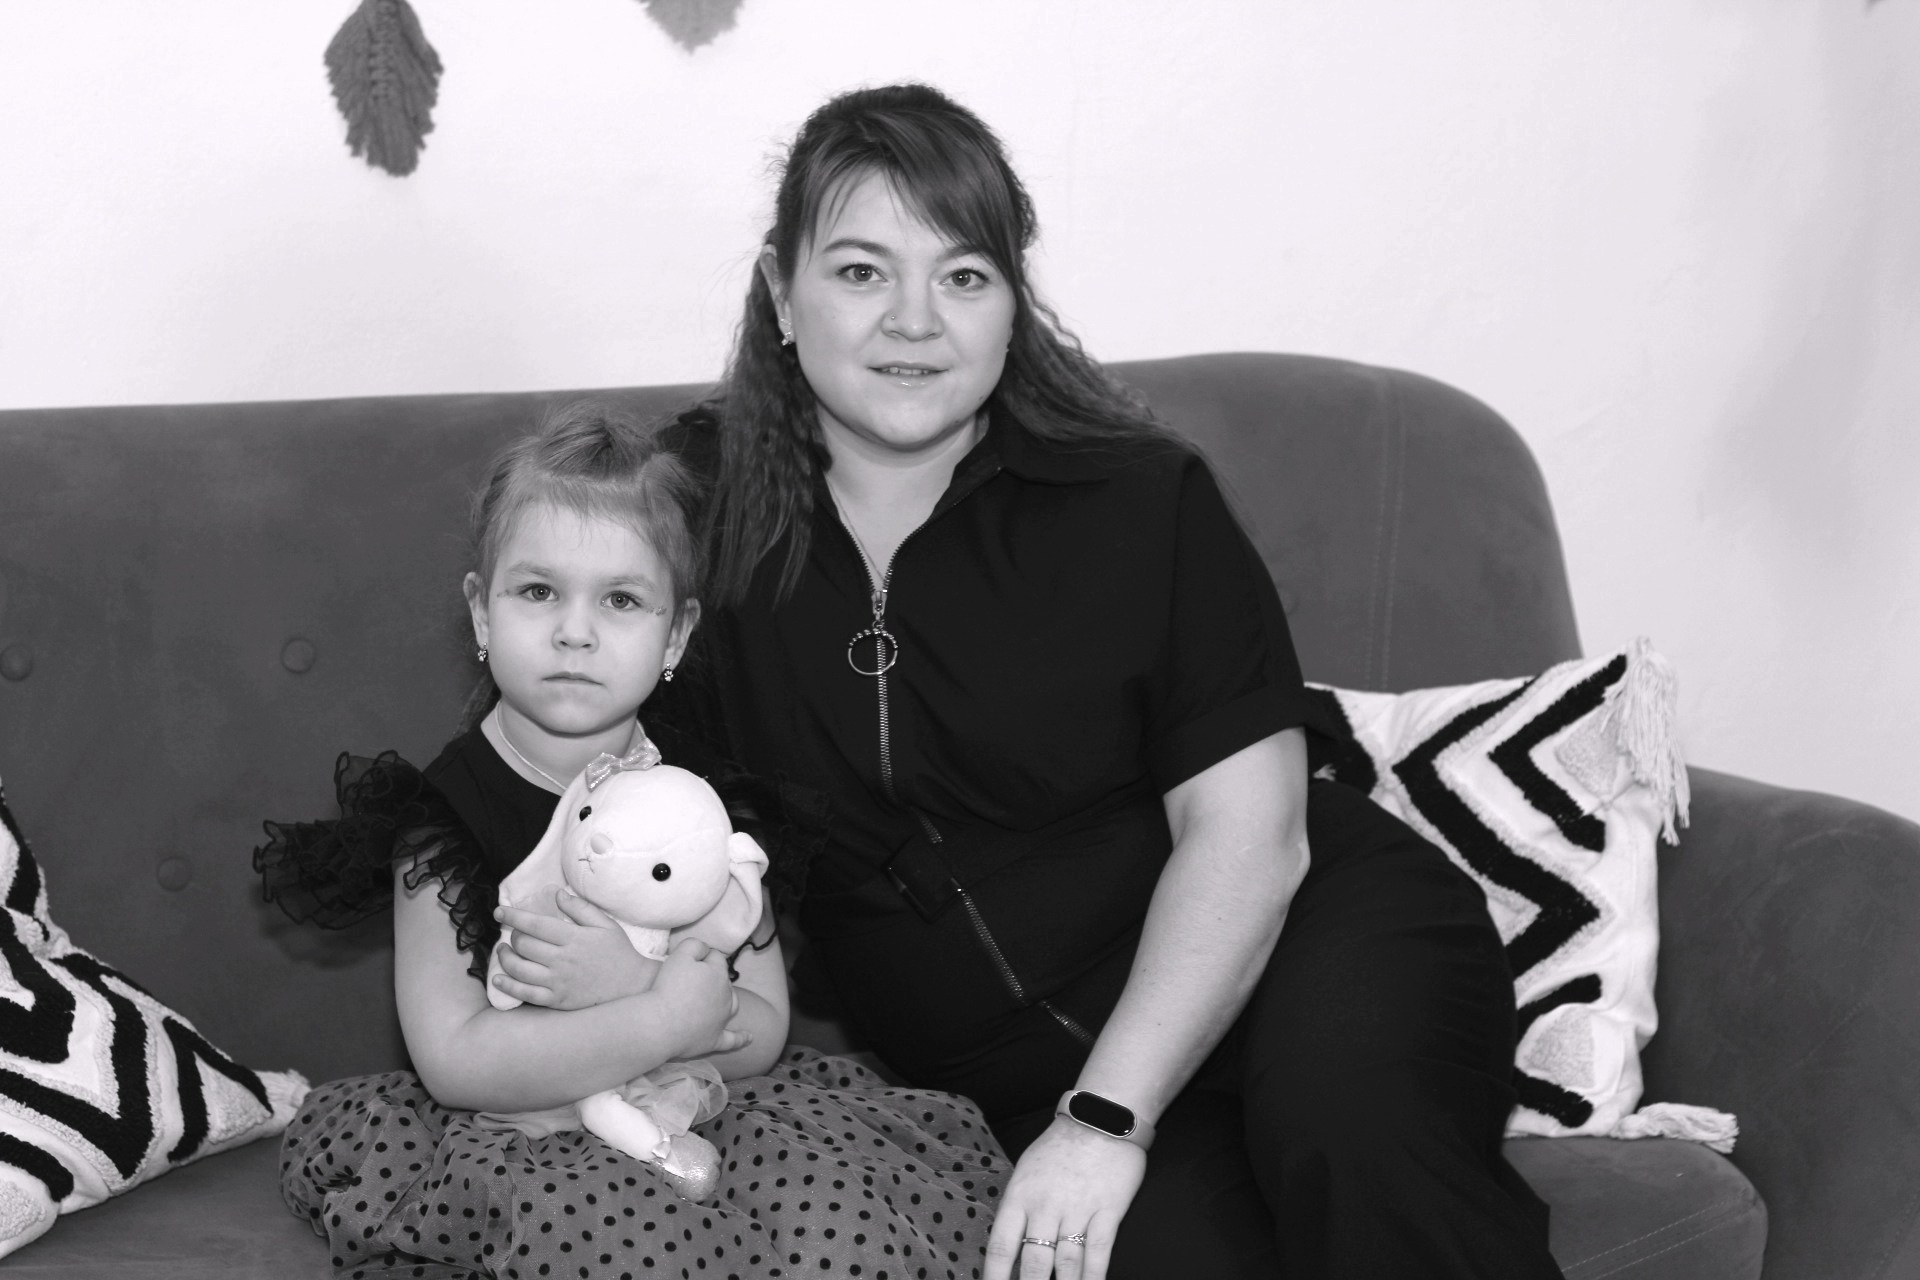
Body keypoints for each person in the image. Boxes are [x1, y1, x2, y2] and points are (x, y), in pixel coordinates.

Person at [656, 84, 1567, 1279]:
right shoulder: (693, 516)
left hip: (1309, 946)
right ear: (783, 293)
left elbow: (1251, 836)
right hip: (1019, 1078)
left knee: (1356, 1137)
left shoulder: (1137, 498)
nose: (915, 320)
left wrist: (1102, 1120)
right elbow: (603, 782)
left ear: (1012, 303)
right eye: (863, 271)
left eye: (965, 275)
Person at [256, 402, 1004, 1280]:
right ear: (482, 613)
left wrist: (637, 984)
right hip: (530, 1142)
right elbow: (455, 1062)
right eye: (538, 592)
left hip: (705, 1113)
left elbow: (763, 1027)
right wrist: (660, 1017)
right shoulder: (443, 819)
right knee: (616, 1249)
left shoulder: (707, 798)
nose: (575, 631)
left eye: (620, 599)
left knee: (846, 1231)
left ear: (675, 633)